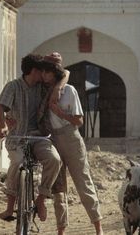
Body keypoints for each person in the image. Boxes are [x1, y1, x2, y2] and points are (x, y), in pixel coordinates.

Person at [0, 54, 68, 222]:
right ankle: (9, 207)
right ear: (34, 71)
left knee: (54, 160)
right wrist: (3, 127)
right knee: (18, 162)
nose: (43, 75)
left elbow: (65, 73)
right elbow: (0, 108)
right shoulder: (13, 87)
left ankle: (41, 199)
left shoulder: (42, 87)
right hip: (17, 137)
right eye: (41, 71)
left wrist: (57, 88)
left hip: (38, 138)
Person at [38, 52, 103, 235]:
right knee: (59, 187)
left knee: (83, 182)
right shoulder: (43, 92)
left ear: (54, 72)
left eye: (47, 72)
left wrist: (60, 113)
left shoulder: (68, 91)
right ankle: (61, 229)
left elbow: (78, 121)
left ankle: (98, 226)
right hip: (52, 138)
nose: (43, 75)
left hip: (70, 138)